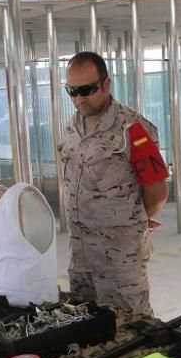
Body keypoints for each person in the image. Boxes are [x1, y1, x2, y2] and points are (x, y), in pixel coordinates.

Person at [59, 51, 169, 315]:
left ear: (106, 85)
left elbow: (157, 193)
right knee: (86, 324)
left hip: (120, 260)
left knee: (133, 327)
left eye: (86, 90)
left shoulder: (133, 129)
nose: (79, 99)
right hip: (81, 255)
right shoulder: (73, 127)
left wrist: (134, 220)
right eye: (71, 91)